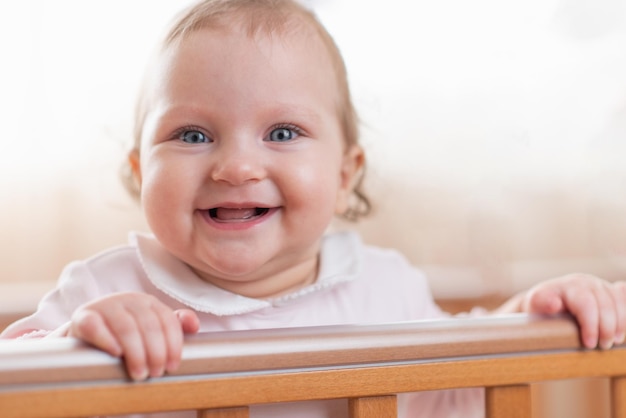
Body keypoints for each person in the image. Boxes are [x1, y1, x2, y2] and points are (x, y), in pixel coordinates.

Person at [2, 0, 625, 417]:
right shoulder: (104, 291)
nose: (236, 167)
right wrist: (72, 342)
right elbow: (13, 378)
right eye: (192, 135)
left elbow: (465, 384)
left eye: (282, 133)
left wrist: (533, 315)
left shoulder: (387, 289)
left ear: (345, 171)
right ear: (140, 172)